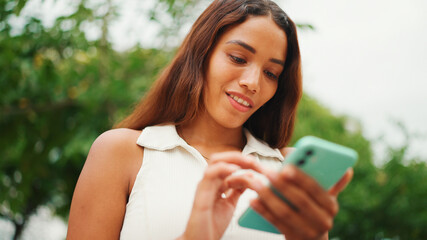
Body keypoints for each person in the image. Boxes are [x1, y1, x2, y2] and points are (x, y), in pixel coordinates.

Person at [67, 0, 354, 239]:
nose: (253, 83)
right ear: (201, 53)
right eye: (239, 58)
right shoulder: (123, 152)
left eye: (271, 73)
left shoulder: (284, 171)